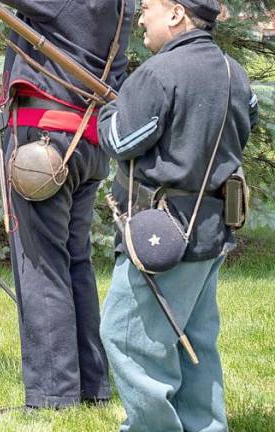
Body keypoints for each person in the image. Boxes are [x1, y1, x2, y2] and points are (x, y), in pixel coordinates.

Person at [97, 0, 258, 430]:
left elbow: (120, 138)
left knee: (128, 340)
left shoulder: (158, 73)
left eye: (147, 7)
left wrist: (108, 110)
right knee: (196, 341)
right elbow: (249, 120)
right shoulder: (233, 72)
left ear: (175, 14)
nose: (140, 17)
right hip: (212, 229)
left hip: (163, 236)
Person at [0, 0, 135, 409]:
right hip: (84, 144)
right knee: (75, 263)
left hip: (48, 143)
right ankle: (90, 386)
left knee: (41, 267)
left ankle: (52, 398)